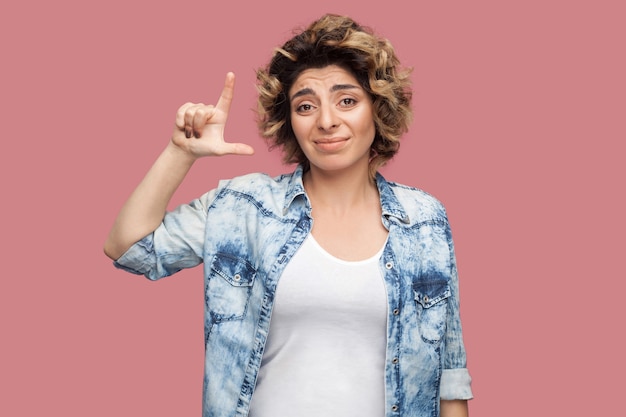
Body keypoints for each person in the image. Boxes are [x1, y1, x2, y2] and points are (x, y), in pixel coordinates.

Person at [104, 13, 473, 417]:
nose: (327, 121)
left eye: (346, 100)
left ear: (378, 109)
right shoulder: (244, 206)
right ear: (289, 122)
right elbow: (128, 247)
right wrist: (181, 153)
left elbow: (449, 376)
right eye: (305, 106)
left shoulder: (424, 220)